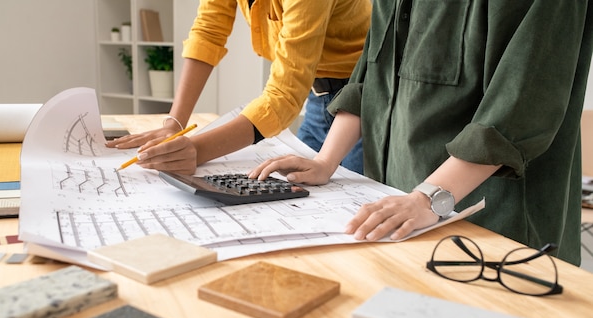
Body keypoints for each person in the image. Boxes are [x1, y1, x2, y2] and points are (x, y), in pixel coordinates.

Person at [249, 0, 593, 266]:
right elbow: (372, 68)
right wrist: (326, 160)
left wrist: (428, 197)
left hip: (496, 228)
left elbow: (523, 101)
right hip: (400, 213)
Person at [107, 0, 371, 174]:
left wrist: (197, 150)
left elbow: (283, 96)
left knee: (356, 213)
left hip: (363, 101)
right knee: (300, 191)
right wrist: (173, 125)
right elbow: (208, 33)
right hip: (319, 96)